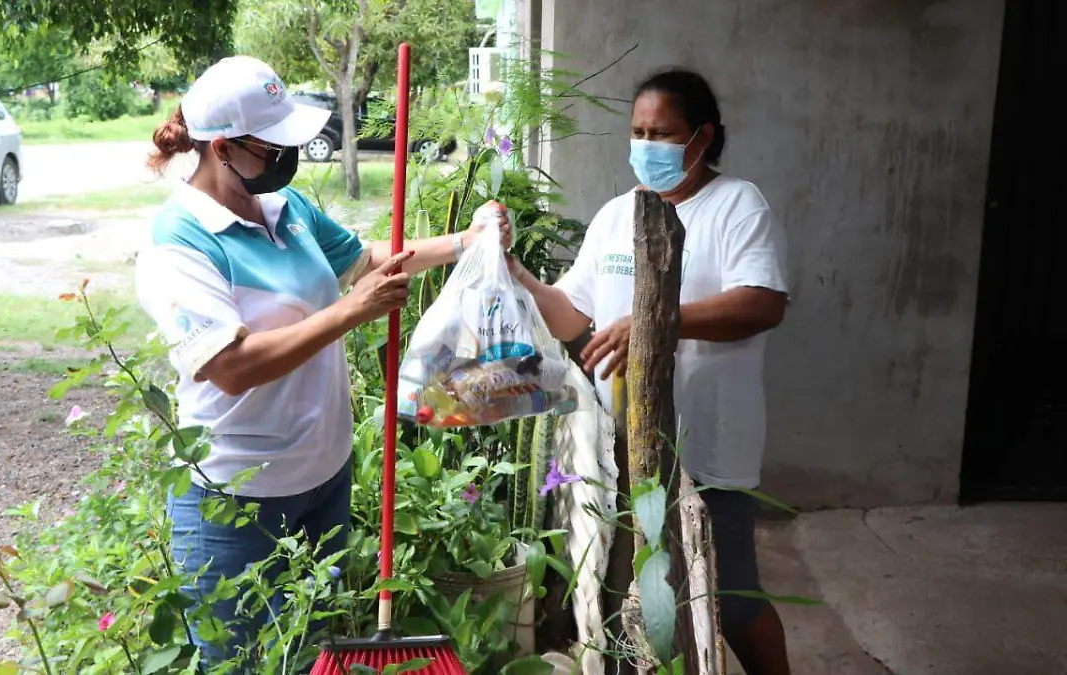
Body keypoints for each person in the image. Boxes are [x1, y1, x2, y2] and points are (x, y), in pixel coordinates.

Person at [133, 55, 510, 670]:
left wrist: (469, 243)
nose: (290, 157)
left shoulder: (287, 208)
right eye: (274, 144)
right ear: (222, 148)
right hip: (237, 499)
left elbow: (365, 262)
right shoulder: (178, 243)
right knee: (246, 662)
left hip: (323, 478)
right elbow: (229, 366)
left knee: (309, 651)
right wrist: (350, 313)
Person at [507, 69, 792, 675]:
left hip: (709, 444)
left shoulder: (736, 205)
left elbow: (762, 302)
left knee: (733, 598)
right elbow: (571, 313)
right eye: (637, 132)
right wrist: (520, 277)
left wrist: (657, 322)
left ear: (701, 137)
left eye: (661, 133)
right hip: (624, 446)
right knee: (637, 593)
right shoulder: (618, 214)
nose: (645, 146)